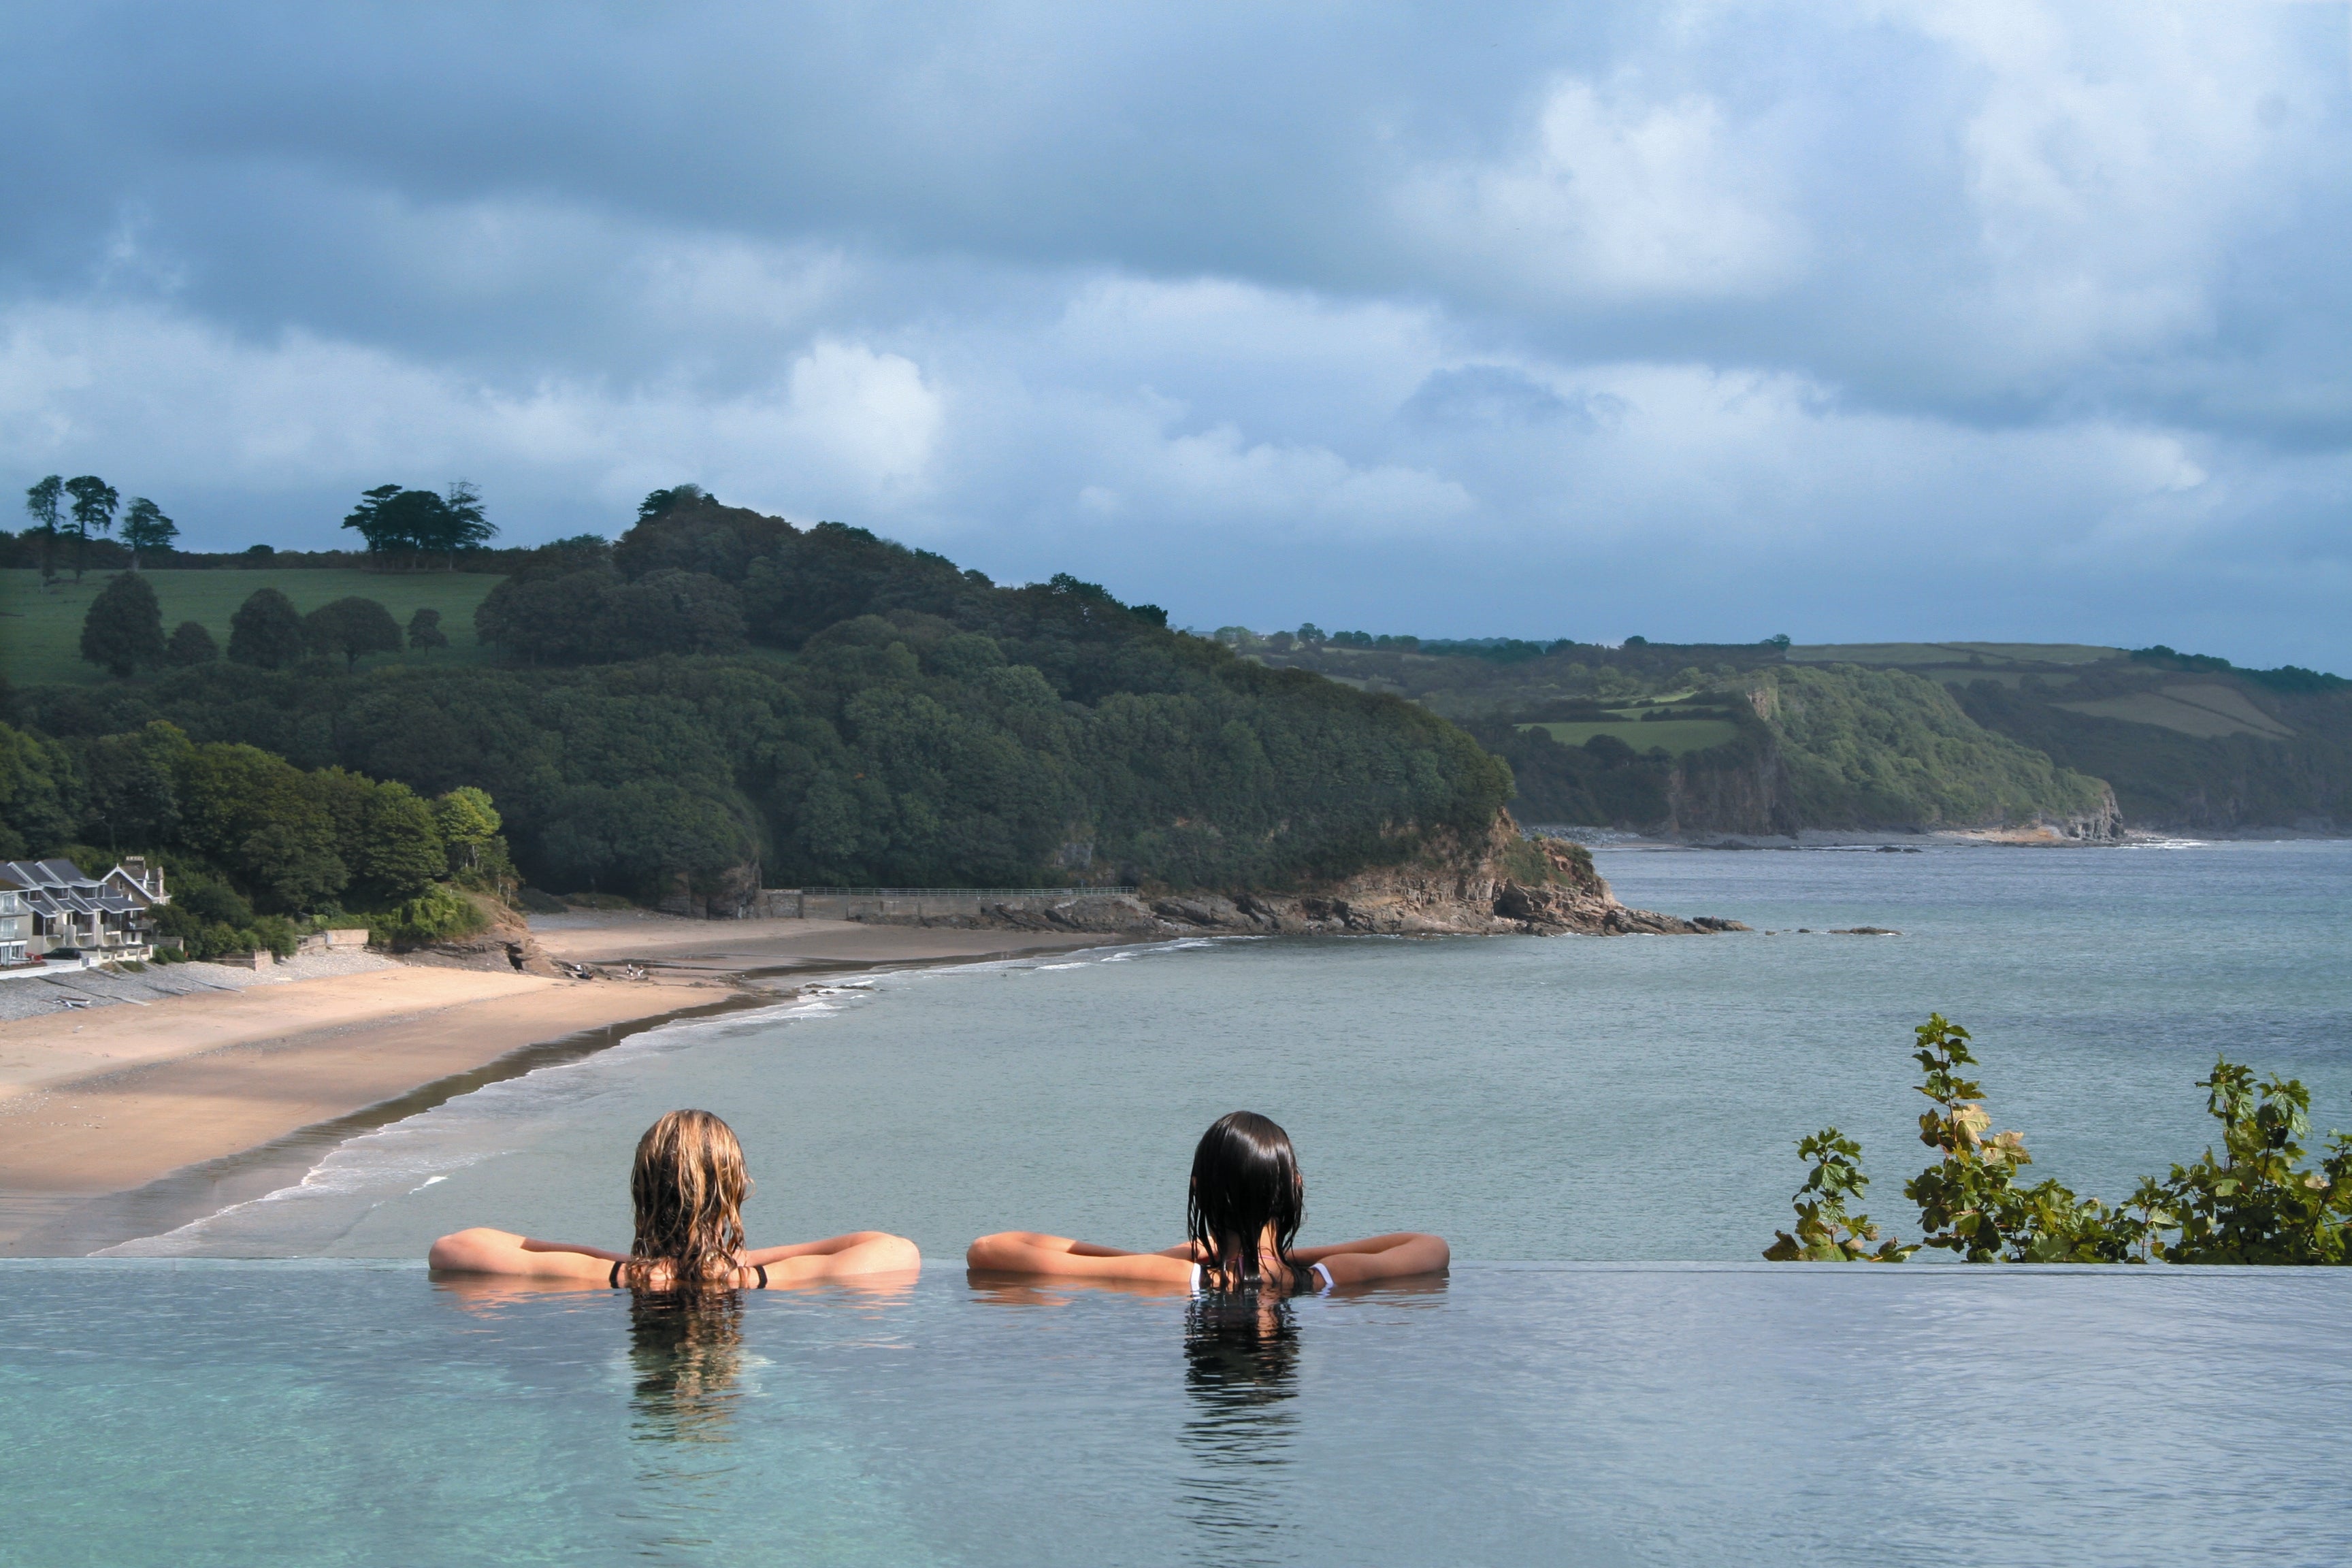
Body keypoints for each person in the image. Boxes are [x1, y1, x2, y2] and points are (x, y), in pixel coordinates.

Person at [428, 1109, 919, 1288]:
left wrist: (624, 1260)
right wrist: (736, 1261)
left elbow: (453, 1248)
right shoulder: (760, 1279)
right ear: (734, 1194)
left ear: (640, 1189)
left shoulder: (605, 1276)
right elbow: (897, 1248)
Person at [966, 1110, 1448, 1291]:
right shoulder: (1327, 1278)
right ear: (1295, 1187)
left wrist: (1165, 1256)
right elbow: (1430, 1247)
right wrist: (1283, 1258)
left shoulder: (1179, 1275)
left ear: (1198, 1186)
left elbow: (989, 1250)